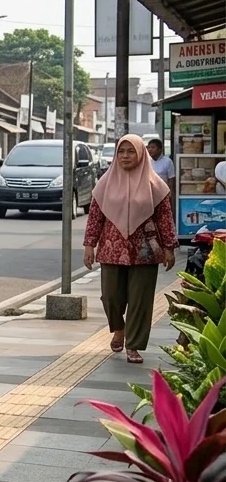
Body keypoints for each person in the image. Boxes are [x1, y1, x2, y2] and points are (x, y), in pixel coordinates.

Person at [83, 134, 176, 364]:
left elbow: (165, 218)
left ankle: (134, 345)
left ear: (141, 154)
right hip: (111, 248)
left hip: (145, 250)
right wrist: (89, 245)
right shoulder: (104, 183)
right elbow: (95, 217)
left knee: (140, 300)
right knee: (110, 296)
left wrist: (170, 247)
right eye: (121, 151)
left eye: (131, 151)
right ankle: (119, 328)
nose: (125, 156)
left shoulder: (155, 185)